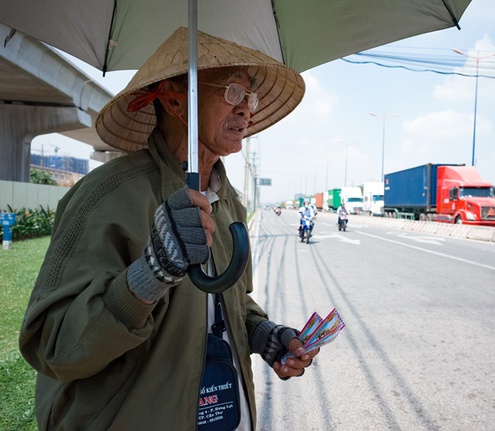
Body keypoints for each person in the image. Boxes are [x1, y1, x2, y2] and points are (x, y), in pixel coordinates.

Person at [19, 27, 318, 430]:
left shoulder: (227, 201)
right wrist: (149, 276)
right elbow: (55, 347)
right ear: (176, 99)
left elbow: (226, 303)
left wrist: (264, 334)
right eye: (232, 91)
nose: (247, 108)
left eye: (250, 96)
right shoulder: (105, 197)